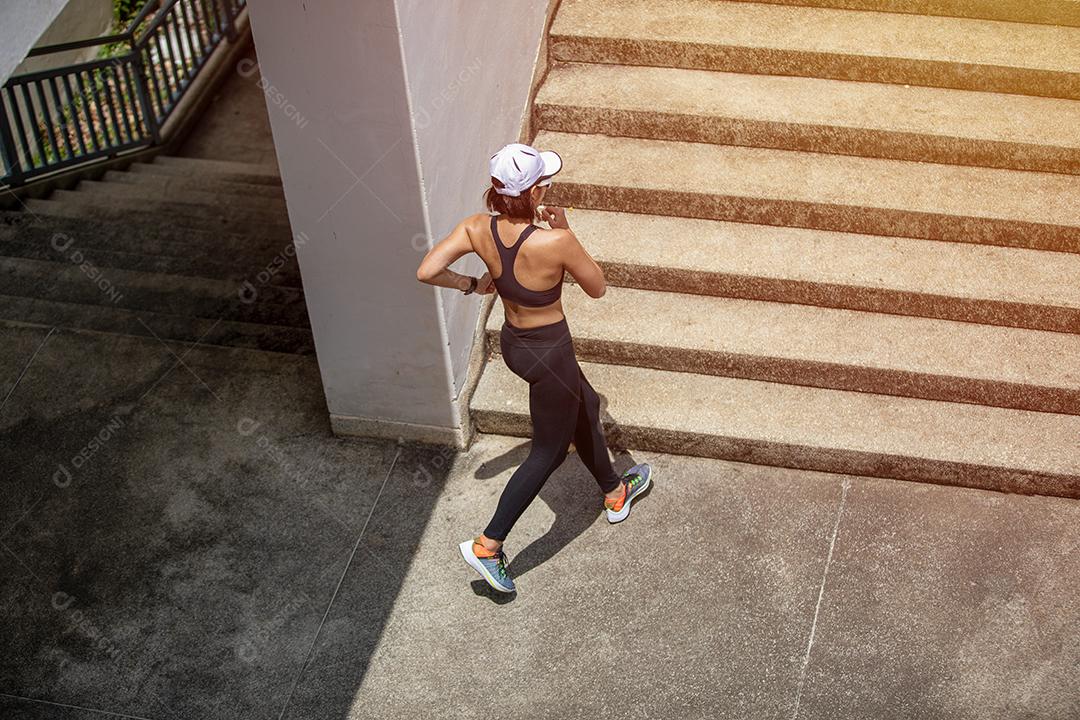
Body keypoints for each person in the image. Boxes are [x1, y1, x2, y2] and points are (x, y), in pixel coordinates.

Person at [416, 142, 653, 593]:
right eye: (545, 183)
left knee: (584, 402)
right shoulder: (555, 241)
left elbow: (427, 270)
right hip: (551, 352)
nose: (547, 188)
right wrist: (569, 232)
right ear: (534, 193)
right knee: (546, 451)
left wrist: (470, 284)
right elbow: (598, 287)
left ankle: (614, 489)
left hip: (516, 345)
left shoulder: (475, 228)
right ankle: (489, 544)